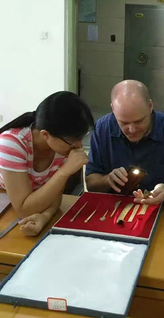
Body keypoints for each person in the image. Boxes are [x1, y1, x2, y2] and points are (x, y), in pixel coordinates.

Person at [86, 80, 164, 207]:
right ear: (113, 109)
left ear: (150, 106)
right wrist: (108, 180)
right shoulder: (103, 129)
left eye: (139, 121)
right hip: (116, 208)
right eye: (124, 123)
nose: (132, 130)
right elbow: (91, 184)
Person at [0, 92, 94, 236]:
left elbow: (55, 195)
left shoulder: (60, 146)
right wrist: (64, 171)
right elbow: (24, 209)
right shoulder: (12, 143)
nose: (79, 146)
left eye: (81, 137)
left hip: (29, 200)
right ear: (45, 134)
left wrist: (45, 217)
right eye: (73, 140)